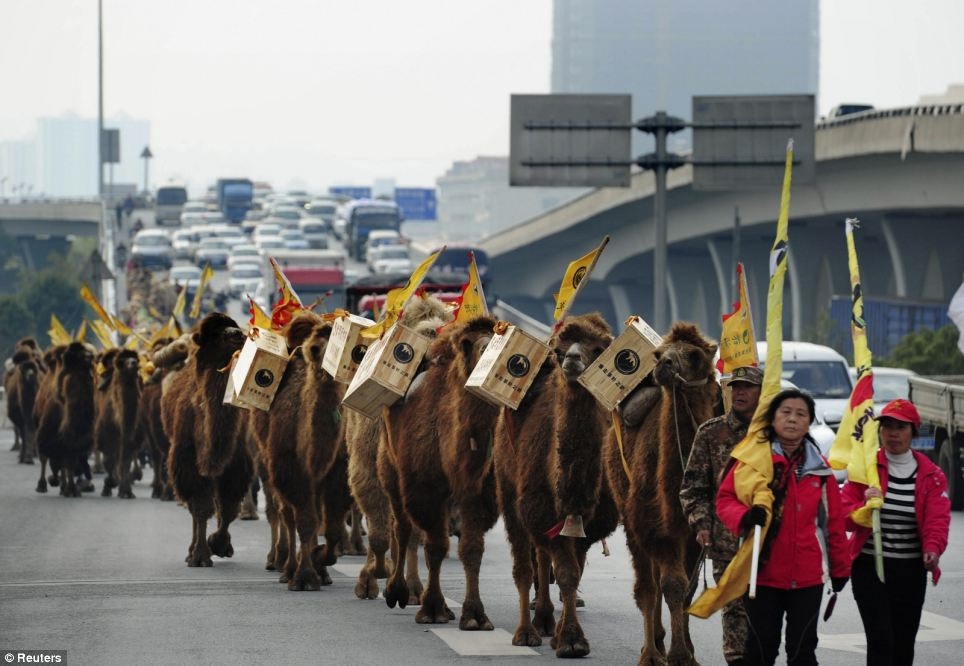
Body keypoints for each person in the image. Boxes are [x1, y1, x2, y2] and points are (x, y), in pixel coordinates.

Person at [716, 388, 851, 666]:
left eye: (801, 414)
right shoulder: (754, 462)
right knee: (760, 651)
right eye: (785, 412)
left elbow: (833, 525)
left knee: (802, 652)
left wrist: (840, 570)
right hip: (762, 574)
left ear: (809, 421)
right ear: (773, 419)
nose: (792, 419)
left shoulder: (820, 469)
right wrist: (744, 516)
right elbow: (725, 499)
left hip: (808, 579)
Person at [839, 398, 950, 666]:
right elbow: (843, 517)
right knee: (881, 642)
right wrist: (865, 505)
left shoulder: (932, 475)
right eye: (887, 426)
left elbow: (938, 519)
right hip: (870, 569)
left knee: (903, 645)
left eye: (901, 427)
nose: (893, 433)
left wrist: (933, 549)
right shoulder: (865, 468)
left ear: (913, 431)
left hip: (910, 571)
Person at [681, 364, 764, 666]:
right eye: (736, 387)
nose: (740, 392)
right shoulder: (711, 432)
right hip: (727, 541)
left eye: (748, 387)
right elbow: (692, 487)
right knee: (735, 610)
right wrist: (701, 524)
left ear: (761, 392)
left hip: (769, 543)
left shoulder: (774, 433)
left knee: (766, 614)